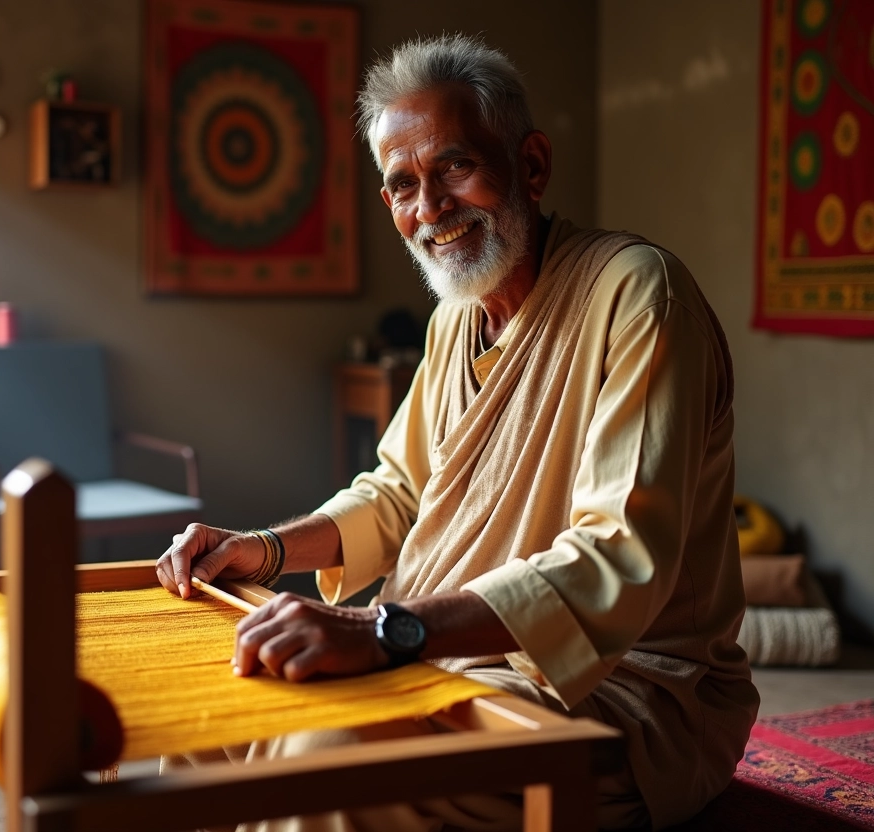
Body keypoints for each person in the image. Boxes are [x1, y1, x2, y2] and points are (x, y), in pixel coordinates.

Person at [156, 33, 758, 832]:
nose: (430, 209)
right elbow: (399, 492)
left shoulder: (637, 295)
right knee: (214, 708)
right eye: (404, 184)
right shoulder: (455, 321)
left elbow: (620, 557)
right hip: (452, 648)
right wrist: (260, 548)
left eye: (454, 168)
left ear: (531, 166)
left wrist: (382, 632)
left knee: (320, 758)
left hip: (623, 687)